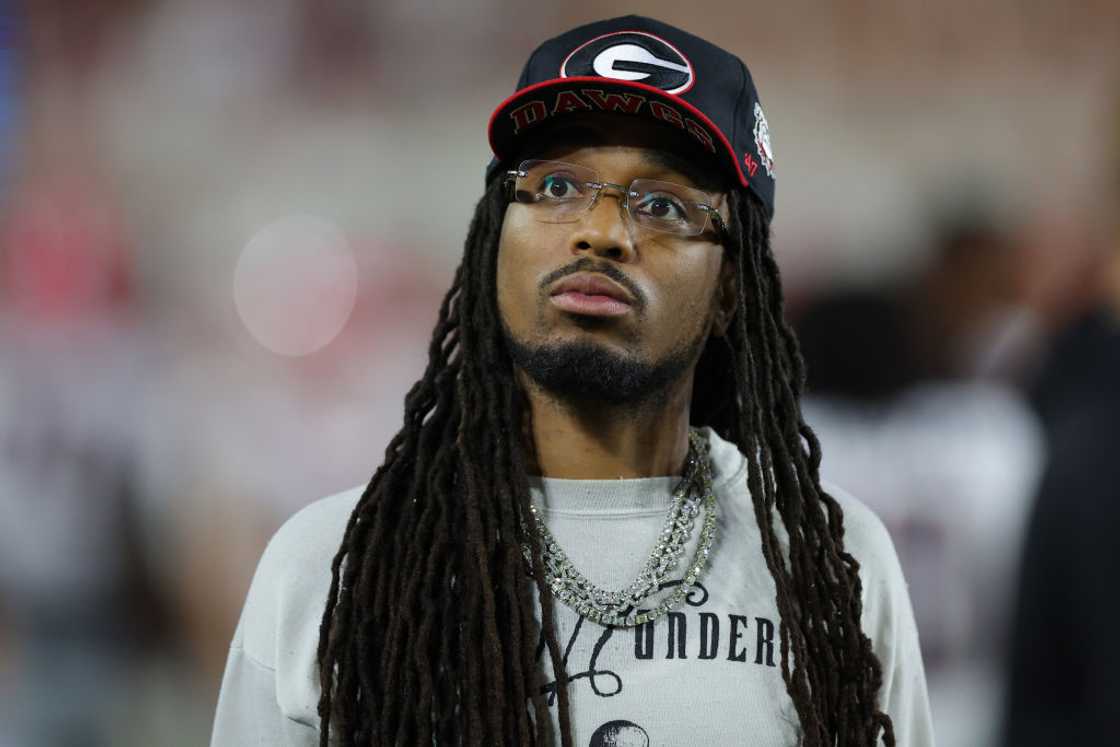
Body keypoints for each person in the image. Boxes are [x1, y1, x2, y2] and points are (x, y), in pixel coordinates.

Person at [210, 15, 933, 746]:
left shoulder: (835, 564)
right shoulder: (331, 565)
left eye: (663, 204)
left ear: (731, 291)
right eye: (555, 184)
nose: (601, 231)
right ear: (494, 241)